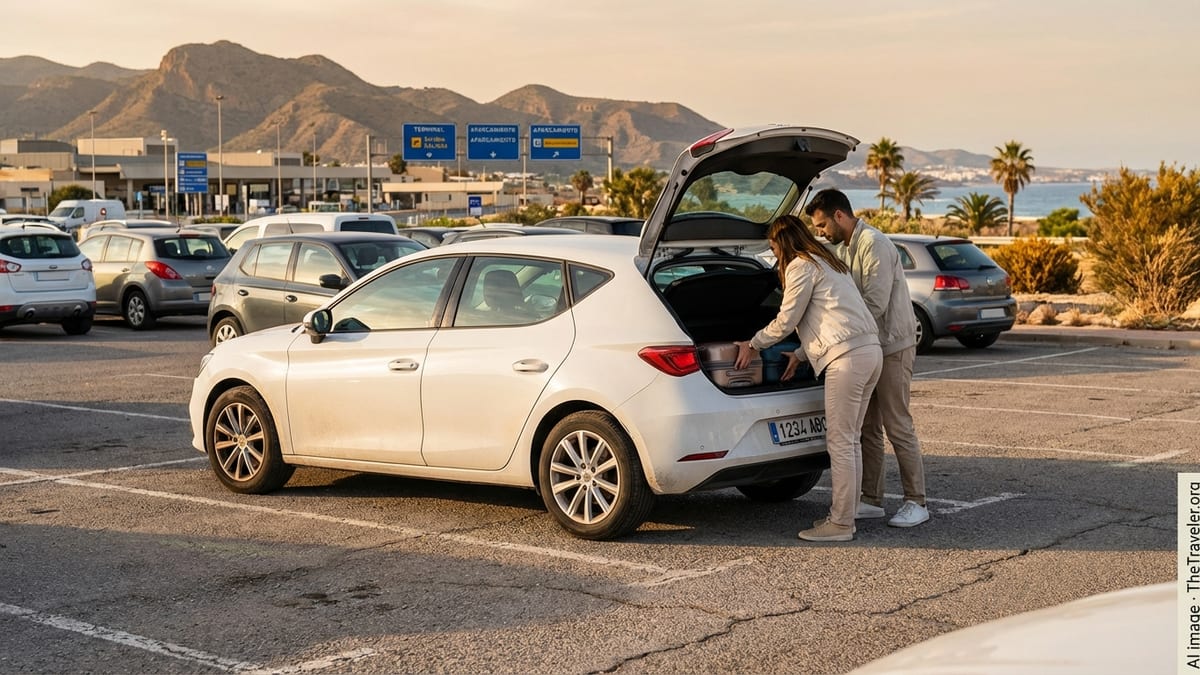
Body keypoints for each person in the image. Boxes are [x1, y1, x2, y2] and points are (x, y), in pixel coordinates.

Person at [734, 214, 882, 542]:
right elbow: (832, 316)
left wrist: (753, 344)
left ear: (783, 243)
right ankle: (848, 512)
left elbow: (787, 319)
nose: (774, 257)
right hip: (870, 352)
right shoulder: (828, 262)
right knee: (851, 439)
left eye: (773, 248)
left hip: (847, 360)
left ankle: (841, 524)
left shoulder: (801, 265)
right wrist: (800, 355)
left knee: (840, 441)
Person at [806, 188, 930, 528]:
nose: (821, 233)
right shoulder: (844, 246)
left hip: (891, 344)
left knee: (897, 424)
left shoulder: (874, 243)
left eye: (822, 225)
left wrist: (841, 334)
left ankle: (916, 501)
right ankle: (871, 499)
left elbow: (873, 304)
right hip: (869, 346)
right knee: (867, 428)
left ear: (840, 216)